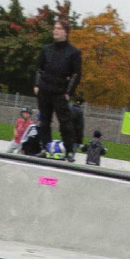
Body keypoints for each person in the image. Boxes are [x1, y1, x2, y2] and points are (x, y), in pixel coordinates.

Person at [34, 17, 84, 159]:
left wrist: (69, 91)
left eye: (59, 28)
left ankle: (69, 150)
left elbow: (76, 74)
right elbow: (39, 68)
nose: (55, 31)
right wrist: (36, 85)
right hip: (45, 90)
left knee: (65, 123)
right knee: (44, 121)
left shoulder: (73, 52)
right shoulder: (46, 49)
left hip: (60, 92)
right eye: (54, 28)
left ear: (66, 32)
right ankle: (45, 147)